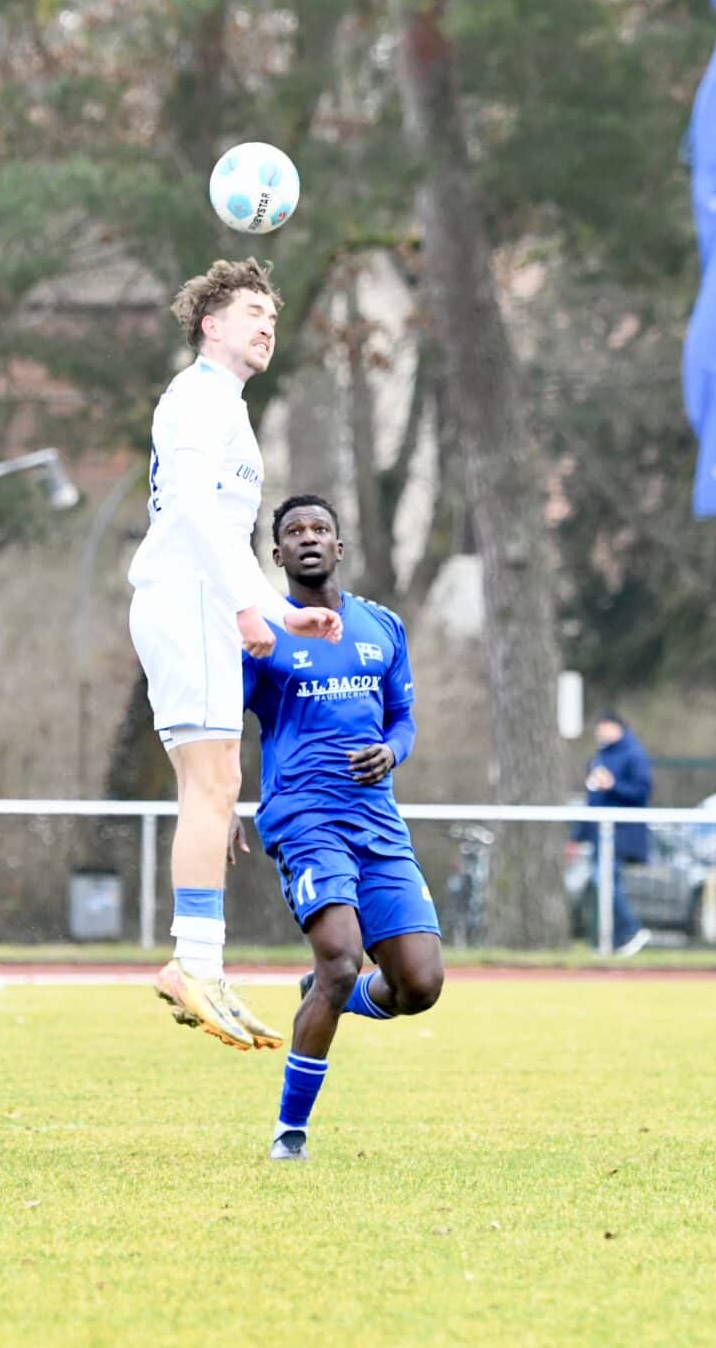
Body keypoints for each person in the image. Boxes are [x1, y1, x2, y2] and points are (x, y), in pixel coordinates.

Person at [128, 259, 343, 1052]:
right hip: (189, 603)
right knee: (213, 784)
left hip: (201, 602)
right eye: (252, 310)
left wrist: (284, 613)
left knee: (214, 784)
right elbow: (187, 511)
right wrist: (250, 607)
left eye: (274, 316)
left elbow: (227, 531)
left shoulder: (227, 406)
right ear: (210, 324)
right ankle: (195, 964)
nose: (266, 325)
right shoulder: (196, 397)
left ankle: (201, 963)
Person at [240, 494, 443, 1162]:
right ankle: (289, 1132)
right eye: (293, 531)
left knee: (420, 983)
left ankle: (344, 995)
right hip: (304, 817)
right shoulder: (264, 631)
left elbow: (403, 719)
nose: (307, 538)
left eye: (319, 528)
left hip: (376, 821)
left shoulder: (381, 626)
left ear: (339, 547)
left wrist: (394, 751)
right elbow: (221, 722)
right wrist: (219, 802)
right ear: (277, 555)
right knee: (338, 956)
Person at [577, 712, 653, 956]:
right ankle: (614, 939)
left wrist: (613, 785)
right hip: (600, 832)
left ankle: (630, 931)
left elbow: (642, 791)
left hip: (622, 831)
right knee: (604, 882)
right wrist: (578, 836)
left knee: (605, 880)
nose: (601, 731)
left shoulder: (634, 754)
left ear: (619, 728)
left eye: (606, 726)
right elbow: (593, 801)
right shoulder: (599, 758)